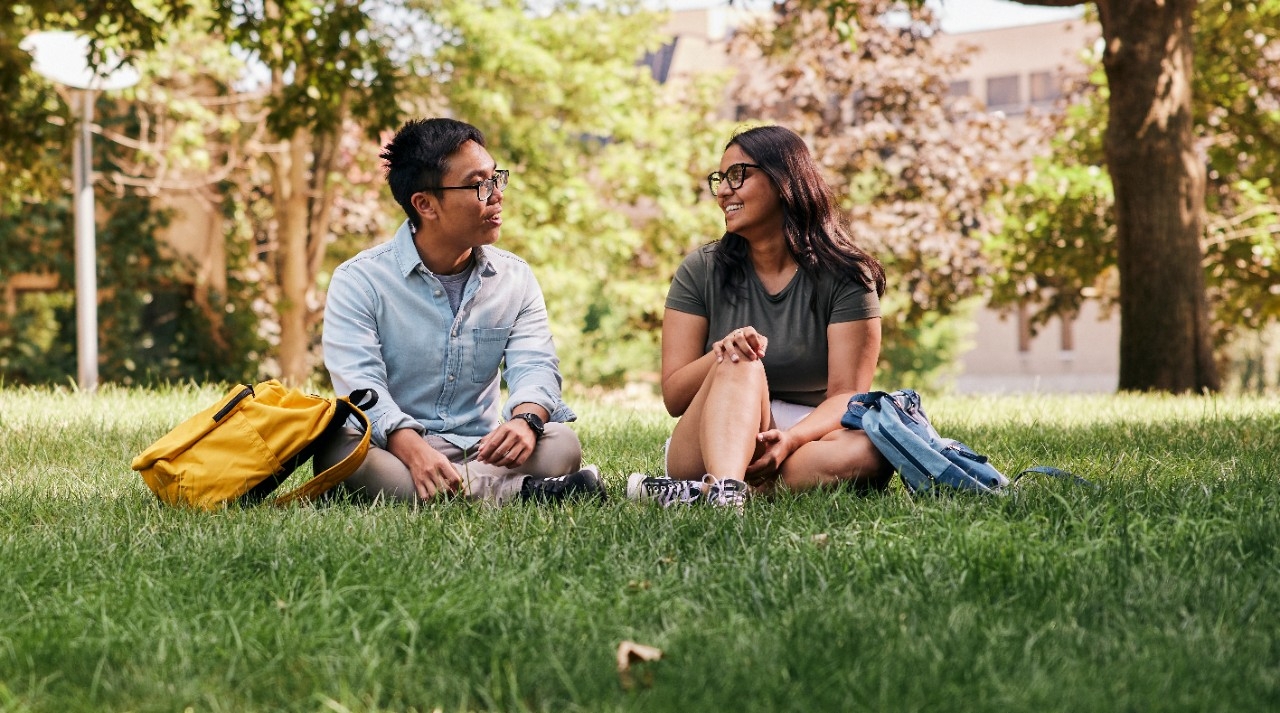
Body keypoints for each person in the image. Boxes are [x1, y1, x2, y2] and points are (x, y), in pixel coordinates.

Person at [316, 117, 605, 505]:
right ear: (425, 204)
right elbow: (361, 388)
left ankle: (449, 492)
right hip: (393, 450)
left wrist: (526, 420)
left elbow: (535, 366)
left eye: (496, 179)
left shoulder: (514, 278)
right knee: (343, 456)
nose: (497, 195)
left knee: (561, 442)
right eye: (478, 185)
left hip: (479, 449)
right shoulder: (359, 280)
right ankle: (520, 493)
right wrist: (414, 450)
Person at [627, 125, 892, 508]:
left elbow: (847, 395)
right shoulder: (701, 269)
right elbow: (674, 396)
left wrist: (792, 439)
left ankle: (712, 491)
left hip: (807, 434)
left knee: (872, 452)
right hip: (709, 433)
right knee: (740, 358)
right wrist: (721, 353)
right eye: (719, 179)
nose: (722, 192)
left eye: (737, 175)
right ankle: (726, 493)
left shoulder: (846, 275)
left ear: (784, 179)